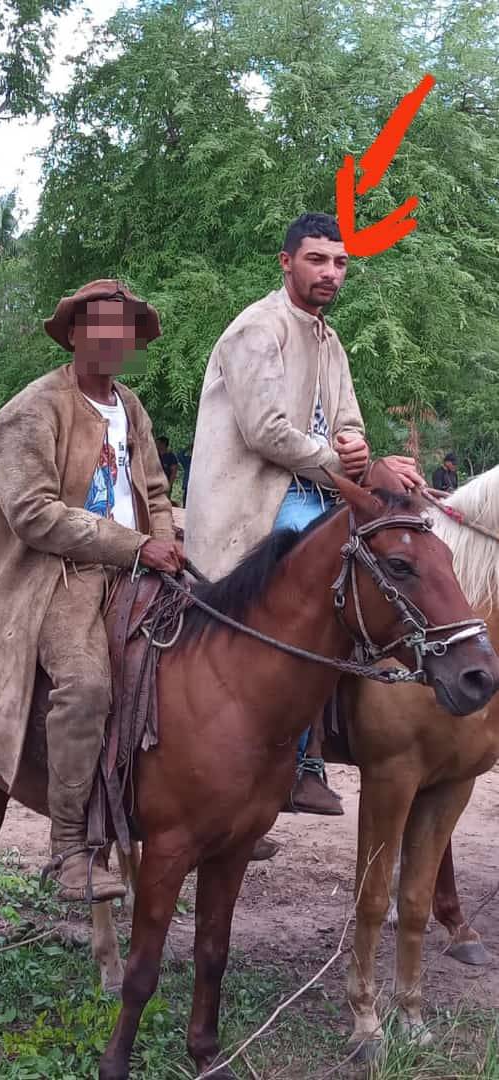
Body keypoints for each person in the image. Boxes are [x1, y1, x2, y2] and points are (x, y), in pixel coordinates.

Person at [186, 212, 423, 827]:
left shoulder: (327, 339)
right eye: (318, 259)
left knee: (399, 543)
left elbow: (348, 423)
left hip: (316, 487)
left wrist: (360, 454)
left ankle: (384, 714)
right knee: (324, 575)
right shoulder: (256, 330)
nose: (330, 273)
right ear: (286, 262)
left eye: (340, 263)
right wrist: (343, 463)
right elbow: (266, 433)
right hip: (261, 498)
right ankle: (301, 758)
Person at [0, 279, 185, 902]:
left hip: (138, 566)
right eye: (101, 326)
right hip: (55, 573)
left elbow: (157, 492)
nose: (114, 338)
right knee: (86, 686)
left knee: (205, 653)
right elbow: (33, 515)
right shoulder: (30, 411)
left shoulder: (129, 404)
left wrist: (164, 543)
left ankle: (195, 803)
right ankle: (69, 849)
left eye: (125, 328)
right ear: (76, 334)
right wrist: (135, 545)